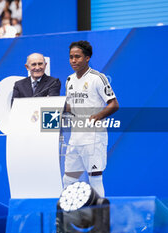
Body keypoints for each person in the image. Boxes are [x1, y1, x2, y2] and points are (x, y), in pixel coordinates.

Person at [63, 40, 119, 197]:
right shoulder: (69, 80)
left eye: (77, 57)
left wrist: (98, 116)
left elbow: (114, 104)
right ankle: (71, 215)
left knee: (95, 179)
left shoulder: (97, 78)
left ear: (87, 58)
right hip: (74, 139)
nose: (73, 60)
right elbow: (70, 107)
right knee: (68, 179)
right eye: (71, 57)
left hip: (93, 138)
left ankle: (100, 218)